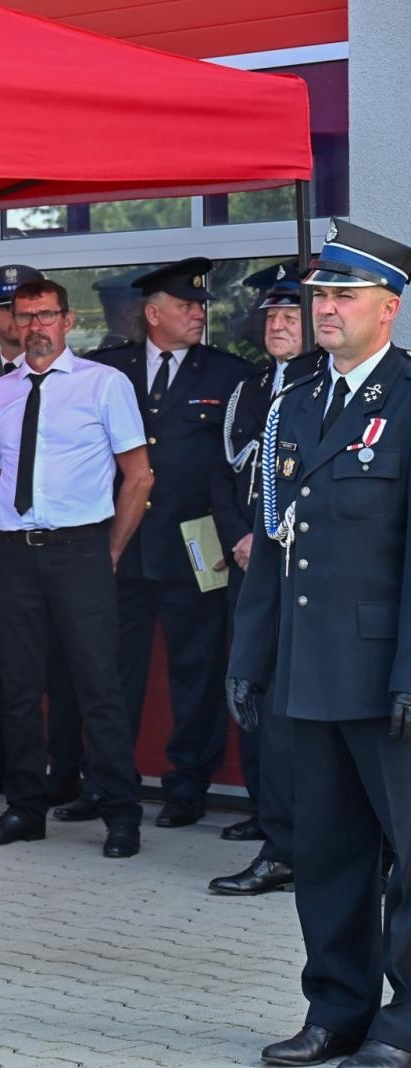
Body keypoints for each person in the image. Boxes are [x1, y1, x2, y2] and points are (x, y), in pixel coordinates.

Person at [227, 220, 411, 1068]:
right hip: (309, 669)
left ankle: (403, 1023)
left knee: (407, 855)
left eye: (343, 294)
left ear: (390, 305)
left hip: (386, 675)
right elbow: (273, 546)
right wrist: (250, 656)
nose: (324, 309)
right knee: (329, 855)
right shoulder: (295, 404)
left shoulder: (406, 402)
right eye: (319, 295)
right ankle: (335, 1009)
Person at [0, 279, 152, 859]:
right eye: (25, 317)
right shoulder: (0, 393)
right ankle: (26, 808)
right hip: (16, 552)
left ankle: (121, 814)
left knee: (99, 686)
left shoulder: (104, 384)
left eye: (47, 315)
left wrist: (113, 549)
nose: (36, 327)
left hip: (82, 551)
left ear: (68, 321)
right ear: (13, 324)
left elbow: (140, 476)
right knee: (17, 687)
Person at [78, 259, 248, 830]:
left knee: (196, 672)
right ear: (153, 314)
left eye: (201, 306)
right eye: (186, 306)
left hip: (197, 547)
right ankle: (107, 783)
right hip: (119, 547)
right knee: (111, 674)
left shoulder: (228, 376)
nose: (199, 314)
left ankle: (187, 785)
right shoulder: (105, 370)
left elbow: (234, 468)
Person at [207, 265, 323, 897]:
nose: (278, 325)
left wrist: (273, 530)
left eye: (290, 315)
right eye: (272, 316)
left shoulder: (319, 386)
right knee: (255, 694)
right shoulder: (249, 389)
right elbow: (223, 477)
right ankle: (275, 834)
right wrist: (241, 536)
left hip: (303, 568)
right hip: (252, 567)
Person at [0, 263, 87, 803]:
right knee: (2, 667)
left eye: (34, 310)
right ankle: (9, 765)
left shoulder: (84, 376)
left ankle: (66, 770)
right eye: (11, 310)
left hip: (58, 546)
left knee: (64, 667)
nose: (23, 322)